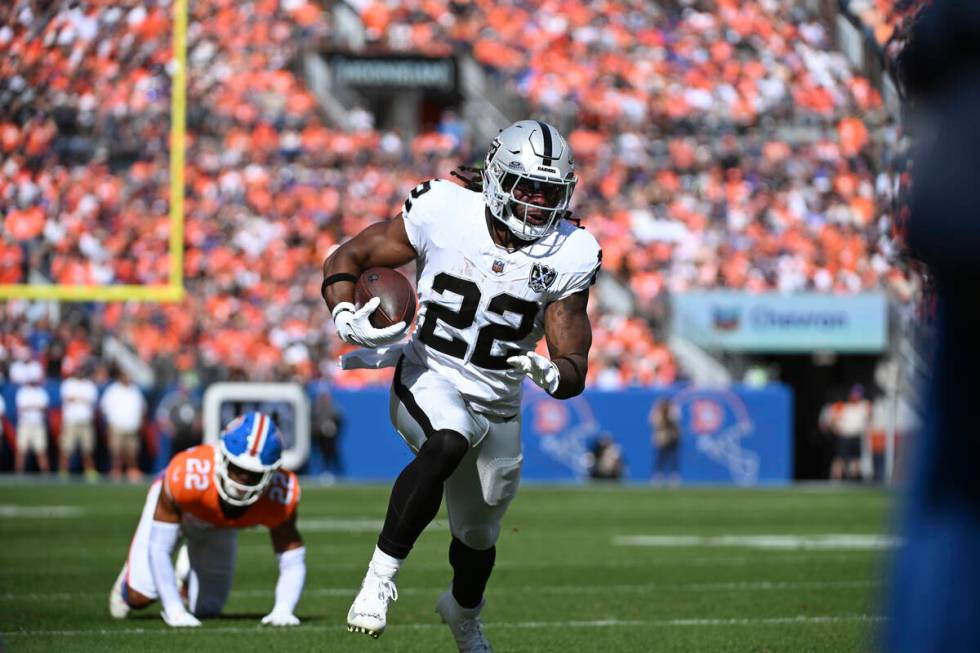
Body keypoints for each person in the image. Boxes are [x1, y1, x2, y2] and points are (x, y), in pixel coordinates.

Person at [324, 120, 600, 651]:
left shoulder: (571, 251)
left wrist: (555, 373)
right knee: (447, 438)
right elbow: (348, 257)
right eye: (527, 188)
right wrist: (342, 312)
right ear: (496, 178)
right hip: (429, 372)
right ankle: (378, 580)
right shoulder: (443, 210)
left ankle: (463, 611)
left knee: (478, 537)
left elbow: (574, 360)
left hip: (498, 403)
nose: (539, 204)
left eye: (550, 192)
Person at [108, 411, 305, 628]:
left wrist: (283, 609)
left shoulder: (281, 493)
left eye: (254, 474)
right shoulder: (186, 473)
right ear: (222, 457)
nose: (243, 481)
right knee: (139, 597)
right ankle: (129, 582)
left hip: (219, 526)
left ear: (272, 472)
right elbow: (159, 547)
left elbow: (292, 558)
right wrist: (174, 611)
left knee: (207, 609)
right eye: (237, 468)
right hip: (182, 513)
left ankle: (185, 578)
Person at [99, 369, 146, 481]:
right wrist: (110, 423)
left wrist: (140, 423)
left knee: (132, 451)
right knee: (116, 451)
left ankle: (132, 470)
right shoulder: (113, 390)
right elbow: (104, 408)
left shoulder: (135, 390)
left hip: (132, 427)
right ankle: (116, 470)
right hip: (117, 426)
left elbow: (142, 408)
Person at [58, 360, 99, 480]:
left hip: (86, 421)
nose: (80, 372)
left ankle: (90, 471)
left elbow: (91, 400)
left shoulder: (89, 385)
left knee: (87, 448)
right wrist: (81, 399)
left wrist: (77, 398)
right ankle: (63, 471)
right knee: (66, 447)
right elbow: (69, 398)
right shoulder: (68, 383)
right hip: (71, 421)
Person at [823, 385, 871, 481]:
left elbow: (868, 420)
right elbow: (830, 421)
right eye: (854, 394)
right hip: (844, 436)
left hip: (857, 436)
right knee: (839, 459)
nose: (856, 396)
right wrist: (835, 429)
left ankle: (853, 480)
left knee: (855, 460)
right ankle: (836, 479)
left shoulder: (864, 405)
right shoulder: (842, 406)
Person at [14, 369, 50, 474]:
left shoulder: (41, 392)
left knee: (41, 450)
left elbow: (44, 407)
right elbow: (22, 408)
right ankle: (18, 474)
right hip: (25, 424)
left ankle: (45, 474)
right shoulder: (22, 391)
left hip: (38, 424)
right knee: (21, 450)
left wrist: (31, 407)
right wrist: (35, 406)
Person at [649, 397, 680, 485]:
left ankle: (673, 476)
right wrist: (660, 435)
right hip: (661, 435)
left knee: (673, 457)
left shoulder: (673, 411)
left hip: (672, 436)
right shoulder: (657, 412)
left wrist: (669, 435)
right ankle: (658, 475)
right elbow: (655, 424)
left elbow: (675, 425)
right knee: (660, 457)